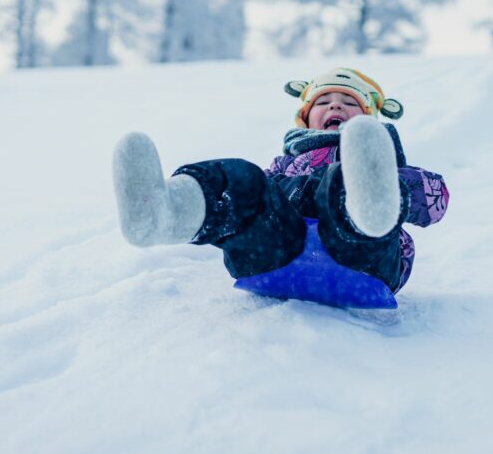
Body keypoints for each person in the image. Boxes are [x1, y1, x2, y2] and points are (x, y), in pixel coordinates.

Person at [111, 67, 449, 302]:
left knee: (343, 180)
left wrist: (391, 187)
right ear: (305, 117)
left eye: (350, 103)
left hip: (361, 258)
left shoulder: (385, 167)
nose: (336, 105)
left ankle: (367, 209)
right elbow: (255, 198)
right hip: (274, 253)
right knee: (244, 180)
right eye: (323, 101)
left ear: (369, 120)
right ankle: (166, 213)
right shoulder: (282, 165)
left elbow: (435, 200)